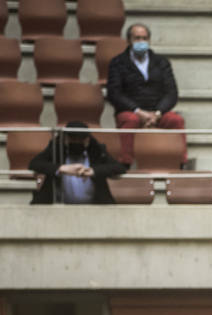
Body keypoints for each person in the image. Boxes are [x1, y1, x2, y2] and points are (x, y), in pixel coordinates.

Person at [106, 23, 185, 167]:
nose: (141, 42)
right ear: (128, 41)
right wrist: (138, 111)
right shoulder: (117, 62)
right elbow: (114, 93)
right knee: (130, 120)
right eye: (137, 38)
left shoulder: (161, 62)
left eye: (144, 38)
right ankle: (125, 163)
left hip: (158, 112)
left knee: (176, 121)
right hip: (131, 111)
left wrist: (157, 113)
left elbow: (172, 92)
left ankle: (180, 163)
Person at [28, 122, 127, 205]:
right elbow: (34, 163)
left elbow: (119, 168)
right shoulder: (56, 148)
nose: (77, 142)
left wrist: (93, 171)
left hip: (94, 208)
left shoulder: (96, 150)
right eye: (73, 139)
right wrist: (60, 168)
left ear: (87, 139)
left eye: (81, 140)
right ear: (65, 139)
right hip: (59, 208)